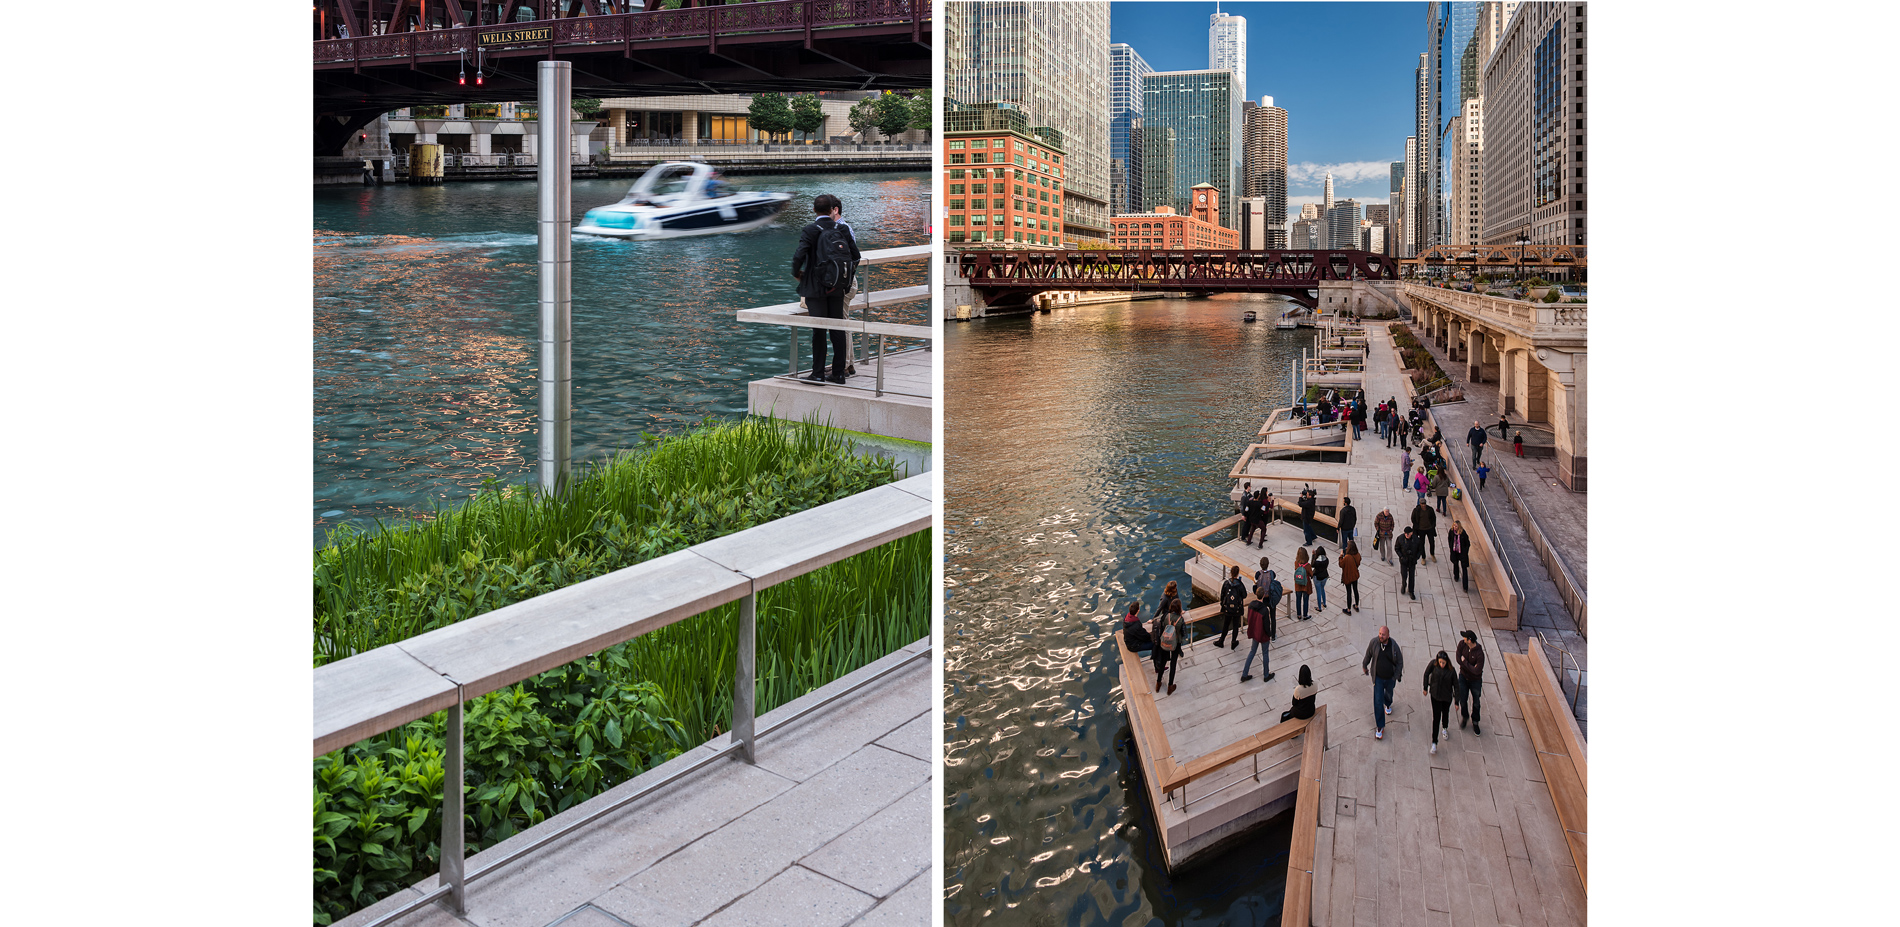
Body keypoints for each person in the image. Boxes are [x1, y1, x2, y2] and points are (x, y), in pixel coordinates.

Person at [790, 193, 861, 384]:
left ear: (814, 210)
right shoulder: (843, 229)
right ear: (832, 210)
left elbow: (798, 256)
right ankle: (838, 373)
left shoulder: (810, 230)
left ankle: (818, 373)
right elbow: (856, 256)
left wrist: (798, 274)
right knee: (837, 329)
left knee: (819, 331)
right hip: (837, 287)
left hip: (815, 288)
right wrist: (845, 278)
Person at [1362, 626, 1404, 740]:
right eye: (1380, 633)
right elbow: (1368, 655)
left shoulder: (1394, 646)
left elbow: (1400, 661)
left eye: (1383, 634)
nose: (1380, 636)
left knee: (1388, 694)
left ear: (1388, 636)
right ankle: (1380, 726)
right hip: (1378, 678)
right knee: (1377, 701)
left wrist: (1396, 676)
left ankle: (1388, 703)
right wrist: (1364, 665)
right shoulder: (1374, 642)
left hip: (1390, 678)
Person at [1423, 650, 1457, 755]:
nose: (1442, 664)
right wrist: (1425, 687)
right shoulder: (1433, 665)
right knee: (1436, 718)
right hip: (1435, 696)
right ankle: (1434, 742)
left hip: (1446, 698)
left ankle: (1445, 727)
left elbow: (1456, 685)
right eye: (1440, 662)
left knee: (1445, 713)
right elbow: (1426, 674)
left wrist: (1457, 701)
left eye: (1444, 662)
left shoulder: (1451, 671)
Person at [1240, 586, 1276, 682]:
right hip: (1263, 634)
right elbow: (1266, 625)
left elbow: (1249, 618)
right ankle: (1266, 675)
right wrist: (1270, 634)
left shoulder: (1251, 605)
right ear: (1263, 595)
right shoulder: (1264, 610)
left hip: (1254, 632)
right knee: (1265, 654)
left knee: (1252, 652)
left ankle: (1244, 674)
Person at [1151, 600, 1188, 695]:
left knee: (1163, 661)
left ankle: (1158, 683)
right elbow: (1184, 634)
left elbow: (1162, 627)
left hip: (1165, 642)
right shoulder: (1180, 619)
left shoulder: (1166, 616)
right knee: (1173, 663)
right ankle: (1170, 686)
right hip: (1176, 643)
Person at [1456, 629, 1485, 734]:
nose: (1463, 639)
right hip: (1463, 677)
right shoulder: (1461, 644)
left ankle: (1475, 721)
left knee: (1476, 701)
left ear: (1470, 640)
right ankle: (1465, 716)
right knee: (1462, 699)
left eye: (1465, 638)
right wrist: (1471, 666)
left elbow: (1477, 671)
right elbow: (1458, 658)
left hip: (1475, 681)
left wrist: (1465, 662)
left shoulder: (1479, 654)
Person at [1216, 565, 1247, 649]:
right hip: (1237, 609)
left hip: (1227, 608)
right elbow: (1244, 595)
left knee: (1226, 624)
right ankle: (1233, 642)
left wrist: (1222, 604)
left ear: (1230, 573)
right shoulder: (1240, 584)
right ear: (1238, 574)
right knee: (1235, 625)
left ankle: (1221, 641)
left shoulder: (1226, 583)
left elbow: (1222, 595)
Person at [1396, 526, 1424, 600]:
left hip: (1412, 561)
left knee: (1412, 577)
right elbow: (1397, 548)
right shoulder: (1400, 538)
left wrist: (1416, 557)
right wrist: (1401, 556)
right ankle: (1404, 585)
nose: (1406, 535)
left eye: (1408, 533)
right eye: (1405, 533)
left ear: (1411, 533)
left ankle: (1411, 591)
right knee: (1404, 575)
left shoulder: (1416, 540)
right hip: (1404, 561)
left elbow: (1420, 550)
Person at [1446, 521, 1471, 592]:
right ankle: (1456, 576)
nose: (1455, 527)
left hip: (1462, 553)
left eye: (1456, 526)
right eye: (1454, 526)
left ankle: (1465, 587)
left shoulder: (1463, 533)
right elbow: (1449, 539)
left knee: (1464, 569)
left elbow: (1467, 543)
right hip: (1455, 552)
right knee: (1455, 564)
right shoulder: (1451, 532)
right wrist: (1451, 548)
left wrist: (1465, 552)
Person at [1339, 540, 1362, 615]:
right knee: (1355, 590)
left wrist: (1341, 556)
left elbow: (1341, 565)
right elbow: (1358, 563)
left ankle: (1348, 610)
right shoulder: (1358, 555)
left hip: (1348, 577)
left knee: (1349, 592)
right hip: (1355, 575)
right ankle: (1356, 605)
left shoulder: (1347, 557)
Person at [1292, 547, 1312, 620]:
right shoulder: (1308, 565)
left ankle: (1299, 615)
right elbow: (1311, 574)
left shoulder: (1296, 563)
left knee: (1298, 599)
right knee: (1305, 600)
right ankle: (1305, 615)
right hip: (1305, 585)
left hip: (1297, 584)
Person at [1311, 546, 1331, 613]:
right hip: (1324, 576)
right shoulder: (1327, 560)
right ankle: (1324, 603)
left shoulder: (1317, 562)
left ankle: (1319, 607)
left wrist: (1313, 555)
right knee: (1322, 589)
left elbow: (1312, 565)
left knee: (1318, 592)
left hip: (1317, 577)